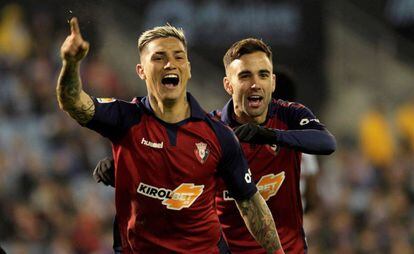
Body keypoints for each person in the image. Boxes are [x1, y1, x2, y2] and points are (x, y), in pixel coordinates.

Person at [57, 18, 284, 253]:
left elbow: (250, 204)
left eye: (178, 57)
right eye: (159, 57)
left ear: (188, 68)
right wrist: (71, 63)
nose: (170, 64)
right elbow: (73, 102)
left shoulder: (218, 135)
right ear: (141, 71)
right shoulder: (126, 118)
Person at [94, 38, 336, 253]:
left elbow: (326, 142)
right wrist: (122, 166)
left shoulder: (289, 116)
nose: (255, 84)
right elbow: (170, 170)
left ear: (272, 82)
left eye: (263, 75)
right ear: (228, 85)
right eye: (244, 76)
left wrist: (269, 135)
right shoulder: (211, 132)